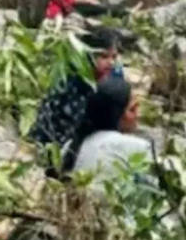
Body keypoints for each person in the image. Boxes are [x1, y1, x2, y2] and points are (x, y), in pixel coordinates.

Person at [29, 29, 123, 158]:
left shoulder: (108, 79)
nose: (111, 62)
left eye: (114, 57)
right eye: (104, 56)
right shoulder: (72, 82)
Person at [63, 76, 153, 185]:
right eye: (132, 109)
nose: (137, 115)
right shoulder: (139, 147)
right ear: (117, 114)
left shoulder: (69, 147)